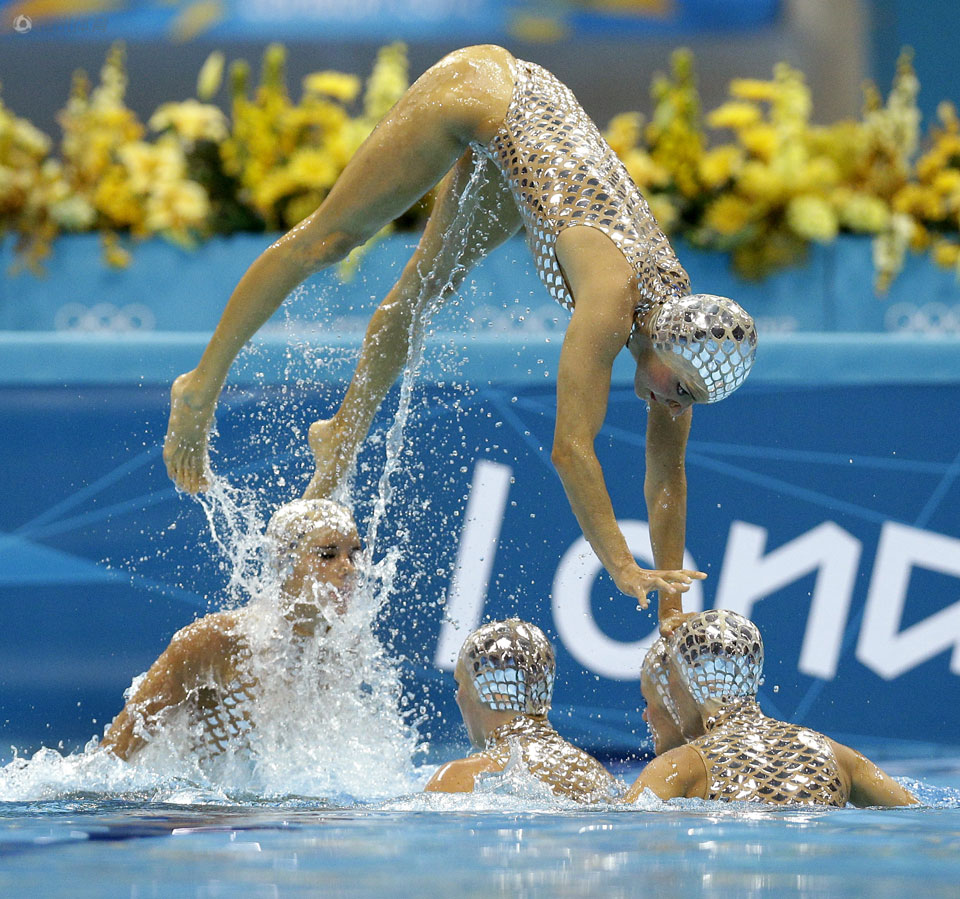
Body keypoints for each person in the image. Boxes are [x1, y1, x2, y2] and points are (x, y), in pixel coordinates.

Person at [162, 44, 758, 619]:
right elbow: (572, 451)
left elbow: (667, 477)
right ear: (662, 345)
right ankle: (200, 386)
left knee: (424, 293)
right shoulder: (610, 303)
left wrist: (673, 613)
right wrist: (624, 567)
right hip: (484, 93)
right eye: (678, 391)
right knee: (331, 238)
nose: (674, 407)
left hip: (533, 161)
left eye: (689, 400)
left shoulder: (680, 337)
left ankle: (342, 434)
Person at [101, 499, 361, 761]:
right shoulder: (219, 640)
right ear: (285, 561)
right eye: (328, 555)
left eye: (354, 555)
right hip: (198, 801)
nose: (349, 569)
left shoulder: (341, 649)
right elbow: (110, 759)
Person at [626, 610, 918, 807]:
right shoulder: (835, 753)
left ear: (684, 687)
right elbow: (915, 815)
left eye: (671, 687)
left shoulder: (679, 767)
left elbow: (626, 835)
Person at [424, 618, 618, 802]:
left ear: (492, 692)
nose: (458, 696)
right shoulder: (595, 774)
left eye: (460, 683)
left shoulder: (459, 778)